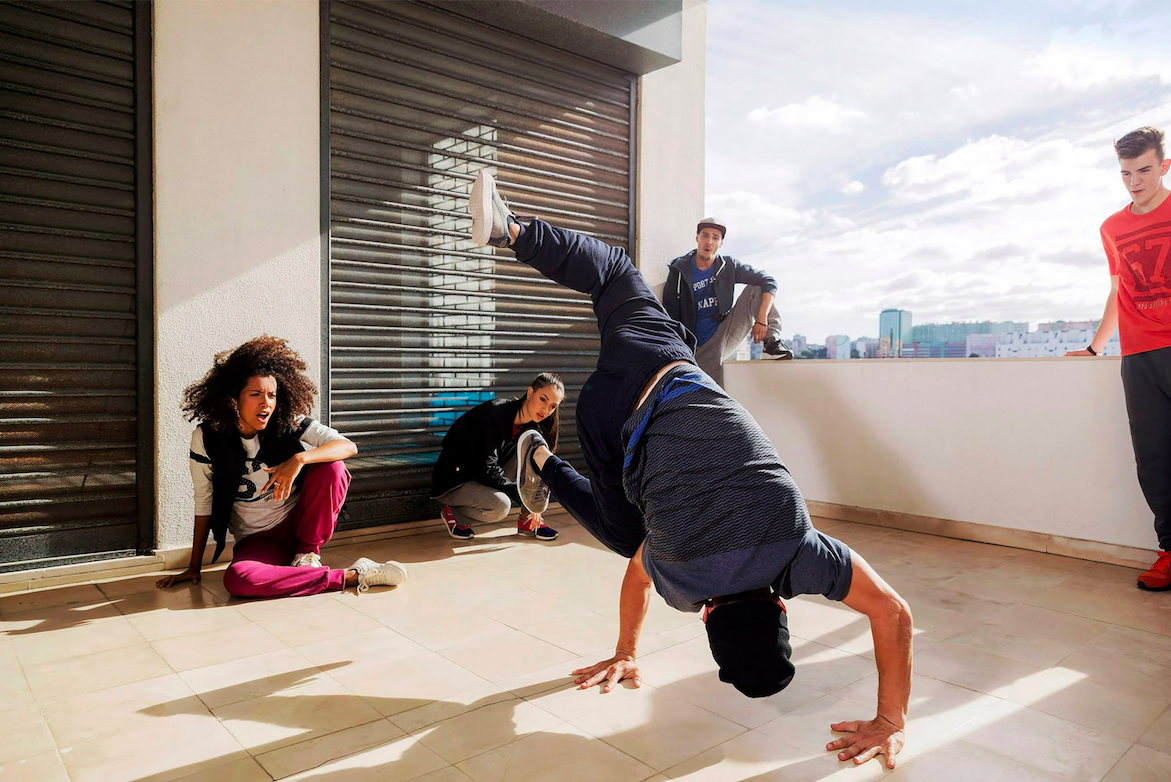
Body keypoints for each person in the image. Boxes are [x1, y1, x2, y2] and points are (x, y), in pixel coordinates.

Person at [471, 171, 912, 769]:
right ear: (709, 620)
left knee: (614, 271)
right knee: (628, 539)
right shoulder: (681, 583)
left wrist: (892, 719)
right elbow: (636, 578)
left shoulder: (803, 552)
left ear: (783, 609)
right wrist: (626, 651)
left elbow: (892, 612)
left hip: (667, 362)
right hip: (610, 418)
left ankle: (512, 230)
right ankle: (542, 459)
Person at [157, 336, 407, 597]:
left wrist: (299, 460)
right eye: (256, 394)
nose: (266, 402)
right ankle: (354, 575)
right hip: (258, 540)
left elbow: (347, 446)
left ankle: (307, 554)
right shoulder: (207, 438)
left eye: (272, 395)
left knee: (332, 468)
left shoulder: (287, 422)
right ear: (234, 399)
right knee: (239, 580)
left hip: (300, 524)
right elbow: (204, 500)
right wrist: (193, 567)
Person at [1066, 126, 1171, 591]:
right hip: (1140, 353)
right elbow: (1117, 290)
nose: (1135, 182)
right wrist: (1096, 346)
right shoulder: (1111, 228)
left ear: (1164, 166)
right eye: (1126, 173)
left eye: (1144, 170)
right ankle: (1170, 551)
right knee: (1153, 459)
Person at [430, 373, 564, 541]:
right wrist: (525, 499)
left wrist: (534, 504)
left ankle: (528, 521)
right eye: (543, 399)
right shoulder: (494, 414)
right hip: (455, 480)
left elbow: (537, 468)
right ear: (530, 393)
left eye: (552, 406)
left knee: (532, 452)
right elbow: (486, 469)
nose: (546, 410)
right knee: (500, 506)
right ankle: (455, 514)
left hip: (483, 477)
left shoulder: (531, 428)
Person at [662, 217, 792, 386]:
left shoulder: (728, 266)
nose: (709, 241)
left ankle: (771, 343)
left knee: (756, 288)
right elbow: (669, 316)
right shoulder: (679, 271)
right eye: (705, 235)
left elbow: (768, 281)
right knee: (712, 395)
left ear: (721, 242)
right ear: (697, 238)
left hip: (724, 333)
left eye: (715, 237)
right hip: (696, 347)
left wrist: (762, 319)